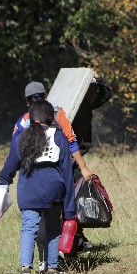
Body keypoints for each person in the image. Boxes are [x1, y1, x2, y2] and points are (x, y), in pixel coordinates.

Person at [12, 81, 94, 259]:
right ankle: (64, 252)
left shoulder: (23, 120)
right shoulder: (58, 114)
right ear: (46, 95)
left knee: (34, 222)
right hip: (60, 174)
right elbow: (72, 142)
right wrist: (84, 168)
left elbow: (15, 150)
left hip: (31, 179)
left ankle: (40, 260)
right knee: (64, 212)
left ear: (27, 101)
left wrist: (8, 176)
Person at [0, 99, 76, 274]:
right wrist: (69, 207)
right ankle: (52, 270)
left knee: (28, 229)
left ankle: (25, 270)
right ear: (51, 118)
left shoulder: (21, 137)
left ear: (31, 117)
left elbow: (11, 164)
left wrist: (4, 180)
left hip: (28, 191)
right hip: (53, 191)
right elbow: (67, 171)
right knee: (53, 229)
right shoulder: (58, 136)